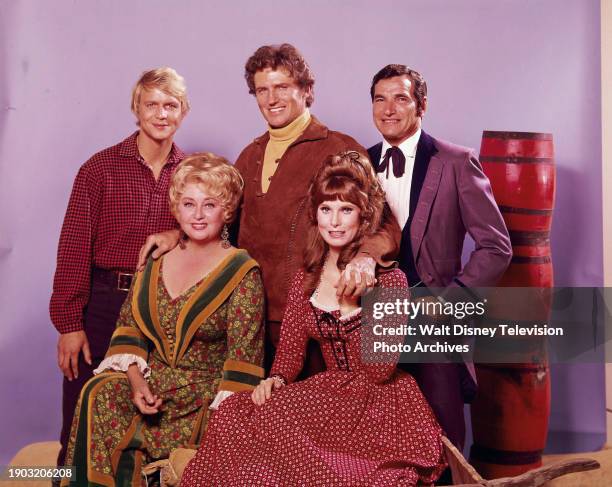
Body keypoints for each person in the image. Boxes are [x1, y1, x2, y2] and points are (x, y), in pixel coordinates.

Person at [180, 151, 445, 487]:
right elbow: (290, 354)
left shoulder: (391, 281)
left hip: (379, 407)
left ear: (363, 217)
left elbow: (379, 370)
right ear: (316, 216)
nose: (334, 222)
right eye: (326, 209)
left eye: (345, 210)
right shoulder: (306, 279)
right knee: (234, 413)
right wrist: (274, 380)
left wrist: (354, 302)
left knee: (310, 453)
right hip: (330, 398)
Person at [139, 44, 399, 375]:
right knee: (259, 417)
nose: (271, 98)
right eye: (262, 90)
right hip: (249, 318)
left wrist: (365, 259)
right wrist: (179, 234)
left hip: (316, 318)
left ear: (306, 90)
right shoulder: (250, 155)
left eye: (282, 87)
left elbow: (384, 224)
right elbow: (223, 222)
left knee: (318, 420)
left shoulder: (341, 149)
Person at [62, 154, 265, 486]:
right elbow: (129, 329)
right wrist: (137, 382)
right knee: (98, 390)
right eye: (189, 204)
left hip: (203, 395)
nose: (198, 215)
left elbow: (243, 361)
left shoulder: (242, 271)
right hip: (151, 384)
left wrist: (223, 414)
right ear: (176, 209)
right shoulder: (156, 259)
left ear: (226, 211)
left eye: (209, 205)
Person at [50, 67, 191, 468]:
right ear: (136, 109)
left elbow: (213, 234)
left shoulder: (192, 175)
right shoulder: (100, 169)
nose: (161, 114)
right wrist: (69, 324)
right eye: (152, 105)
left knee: (150, 410)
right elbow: (73, 248)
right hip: (104, 301)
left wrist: (175, 234)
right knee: (82, 410)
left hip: (165, 306)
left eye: (171, 105)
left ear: (183, 112)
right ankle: (66, 475)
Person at [367, 64, 512, 450]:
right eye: (380, 99)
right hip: (372, 316)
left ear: (422, 105)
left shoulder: (456, 161)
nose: (389, 109)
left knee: (443, 428)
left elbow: (496, 245)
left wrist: (455, 300)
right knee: (381, 434)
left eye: (401, 98)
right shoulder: (359, 163)